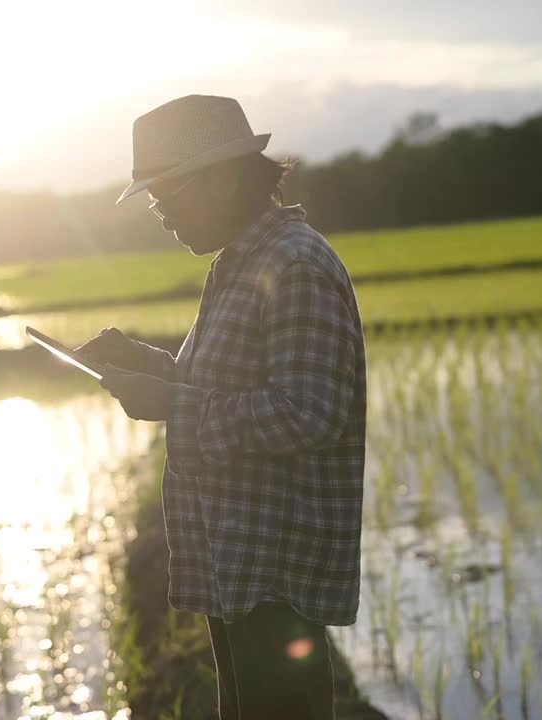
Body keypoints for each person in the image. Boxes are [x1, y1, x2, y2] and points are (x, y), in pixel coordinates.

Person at [74, 94, 367, 720]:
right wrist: (145, 364)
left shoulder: (295, 264)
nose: (159, 215)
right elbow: (219, 384)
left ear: (224, 176)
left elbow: (310, 412)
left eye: (165, 194)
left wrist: (173, 402)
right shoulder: (240, 264)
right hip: (237, 561)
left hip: (275, 575)